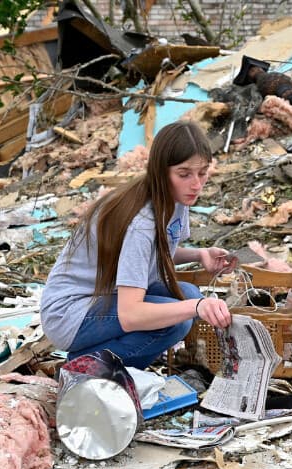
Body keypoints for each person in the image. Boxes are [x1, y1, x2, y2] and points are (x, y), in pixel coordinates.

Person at [41, 121, 232, 368]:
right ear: (161, 172)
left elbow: (147, 255)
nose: (196, 184)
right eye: (184, 174)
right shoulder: (142, 222)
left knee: (189, 295)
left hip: (106, 295)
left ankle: (103, 352)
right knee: (179, 319)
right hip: (71, 313)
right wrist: (196, 308)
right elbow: (131, 315)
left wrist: (199, 254)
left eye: (203, 172)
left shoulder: (175, 198)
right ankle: (84, 366)